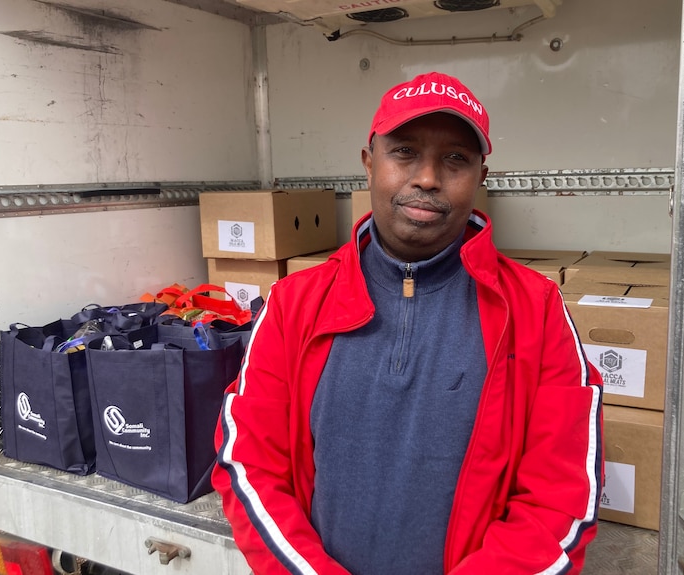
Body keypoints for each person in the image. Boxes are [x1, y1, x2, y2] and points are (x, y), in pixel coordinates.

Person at [213, 71, 604, 575]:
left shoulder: (536, 310)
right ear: (369, 163)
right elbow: (248, 464)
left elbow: (561, 496)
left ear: (481, 177)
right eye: (404, 152)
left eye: (455, 159)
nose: (427, 177)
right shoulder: (294, 304)